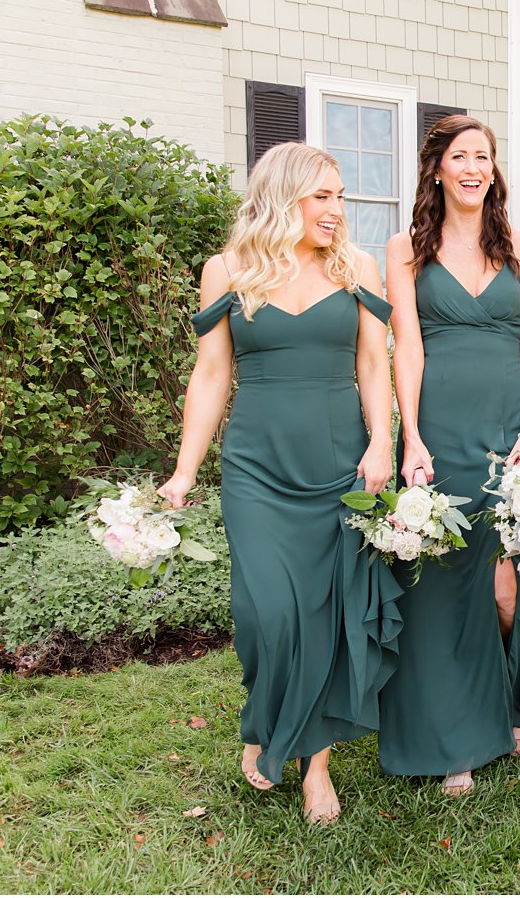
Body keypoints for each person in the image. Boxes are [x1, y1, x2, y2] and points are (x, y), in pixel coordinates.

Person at [158, 142, 402, 825]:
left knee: (323, 614)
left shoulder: (356, 267)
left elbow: (373, 365)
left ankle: (315, 764)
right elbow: (211, 374)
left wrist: (382, 440)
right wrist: (183, 472)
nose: (337, 209)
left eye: (341, 196)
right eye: (322, 196)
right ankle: (267, 715)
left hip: (338, 466)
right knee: (268, 613)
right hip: (257, 468)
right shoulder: (228, 269)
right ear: (283, 194)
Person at [377, 115, 520, 797]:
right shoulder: (406, 248)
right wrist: (413, 434)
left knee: (512, 575)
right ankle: (452, 732)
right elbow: (411, 348)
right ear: (437, 169)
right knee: (443, 584)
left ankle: (518, 698)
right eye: (461, 156)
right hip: (439, 430)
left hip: (508, 428)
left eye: (484, 155)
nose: (474, 166)